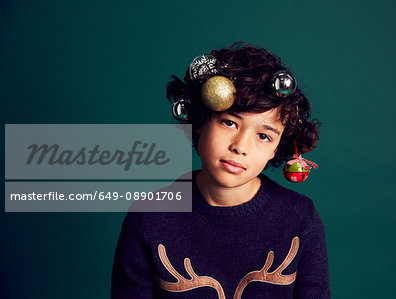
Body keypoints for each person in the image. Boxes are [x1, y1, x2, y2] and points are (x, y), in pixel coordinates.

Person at [111, 42, 330, 298]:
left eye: (263, 136)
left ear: (277, 149)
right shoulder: (148, 217)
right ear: (202, 122)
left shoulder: (300, 218)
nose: (240, 146)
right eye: (229, 122)